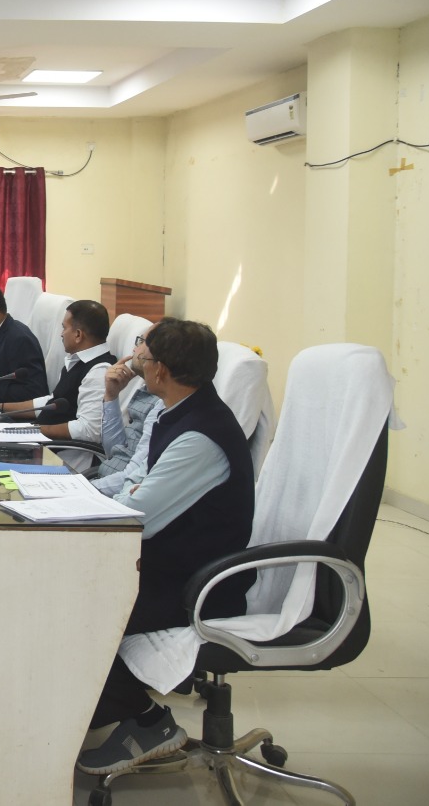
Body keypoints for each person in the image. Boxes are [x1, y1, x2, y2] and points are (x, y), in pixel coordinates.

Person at [77, 319, 255, 776]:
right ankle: (89, 712)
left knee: (76, 607)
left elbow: (140, 516)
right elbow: (138, 486)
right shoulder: (178, 412)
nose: (138, 362)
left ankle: (148, 720)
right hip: (167, 563)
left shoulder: (199, 435)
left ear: (162, 370)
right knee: (66, 588)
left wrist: (112, 500)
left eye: (145, 356)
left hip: (196, 585)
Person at [0, 299, 115, 444]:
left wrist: (31, 431)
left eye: (64, 328)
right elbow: (52, 402)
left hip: (60, 451)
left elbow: (89, 430)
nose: (61, 334)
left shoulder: (99, 371)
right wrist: (0, 407)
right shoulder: (77, 360)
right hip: (41, 440)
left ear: (78, 335)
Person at [92, 336, 164, 496]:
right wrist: (111, 395)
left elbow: (132, 476)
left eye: (143, 341)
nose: (135, 348)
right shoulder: (145, 391)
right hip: (104, 482)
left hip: (116, 494)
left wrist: (84, 488)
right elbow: (113, 450)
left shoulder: (162, 403)